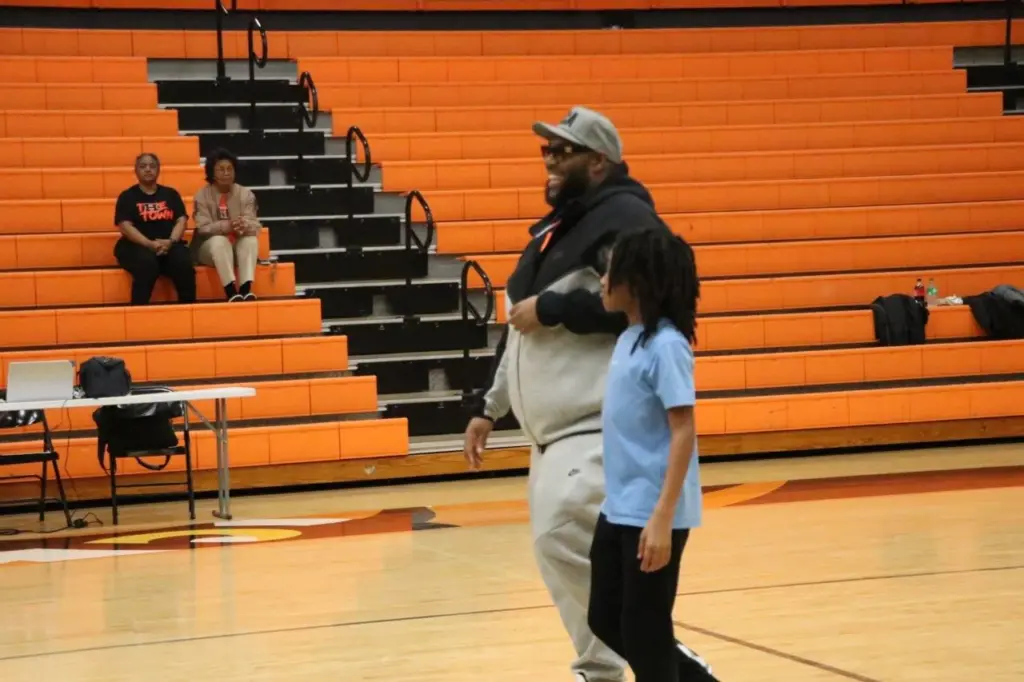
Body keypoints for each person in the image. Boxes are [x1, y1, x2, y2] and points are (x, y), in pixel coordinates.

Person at [462, 106, 717, 682]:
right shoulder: (558, 229)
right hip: (548, 435)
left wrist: (555, 306)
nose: (549, 161)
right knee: (571, 562)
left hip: (592, 426)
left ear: (598, 161)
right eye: (546, 151)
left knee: (563, 539)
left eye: (563, 151)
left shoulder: (625, 219)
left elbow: (644, 301)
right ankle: (619, 660)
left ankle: (645, 662)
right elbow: (519, 330)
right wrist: (489, 406)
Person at [588, 227, 703, 682]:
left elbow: (683, 430)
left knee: (644, 628)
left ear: (636, 281)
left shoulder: (667, 346)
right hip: (619, 505)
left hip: (652, 511)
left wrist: (662, 518)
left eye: (610, 271)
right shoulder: (629, 338)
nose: (602, 280)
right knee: (604, 617)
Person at [113, 153, 196, 306]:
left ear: (158, 170)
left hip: (168, 244)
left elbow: (181, 220)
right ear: (136, 170)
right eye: (143, 166)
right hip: (136, 246)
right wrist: (149, 244)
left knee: (183, 262)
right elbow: (125, 226)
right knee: (147, 264)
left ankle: (188, 309)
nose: (148, 169)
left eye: (152, 166)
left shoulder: (171, 194)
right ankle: (138, 310)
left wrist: (171, 241)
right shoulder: (127, 196)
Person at [192, 148, 261, 302]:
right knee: (219, 241)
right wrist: (225, 226)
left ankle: (245, 290)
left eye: (230, 169)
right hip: (210, 250)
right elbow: (203, 228)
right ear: (212, 173)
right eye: (221, 169)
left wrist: (244, 225)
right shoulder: (201, 196)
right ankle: (230, 292)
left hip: (237, 247)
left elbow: (255, 225)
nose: (226, 173)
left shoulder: (246, 194)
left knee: (250, 240)